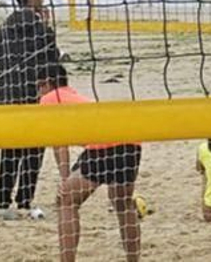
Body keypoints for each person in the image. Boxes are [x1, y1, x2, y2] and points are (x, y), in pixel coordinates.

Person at [38, 63, 143, 262]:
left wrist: (64, 179)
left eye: (38, 86)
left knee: (66, 200)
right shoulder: (73, 95)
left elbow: (59, 144)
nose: (38, 92)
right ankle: (133, 259)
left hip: (104, 144)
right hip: (131, 140)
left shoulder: (49, 98)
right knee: (123, 204)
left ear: (47, 83)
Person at [0, 0, 61, 220]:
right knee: (33, 152)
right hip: (35, 98)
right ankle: (25, 199)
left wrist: (3, 89)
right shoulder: (42, 30)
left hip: (8, 98)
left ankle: (2, 198)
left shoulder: (3, 29)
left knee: (10, 151)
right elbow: (53, 64)